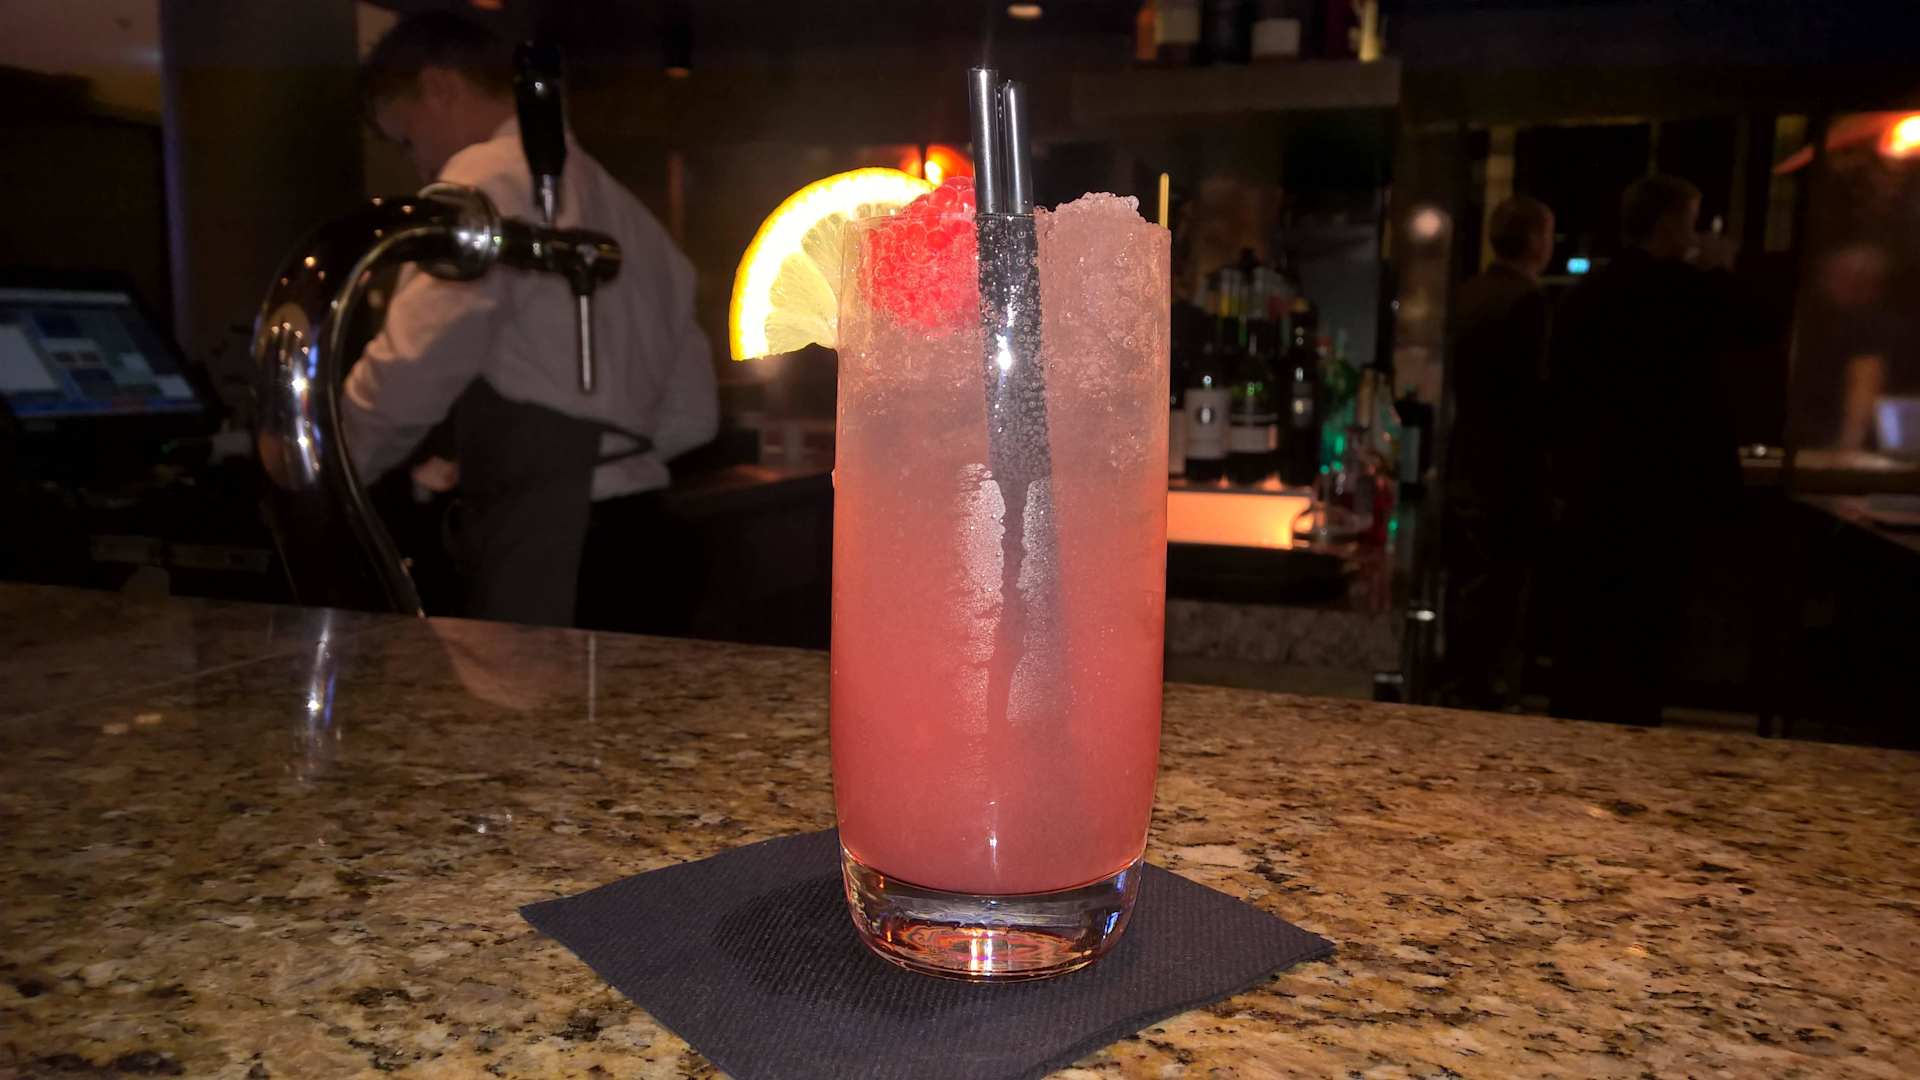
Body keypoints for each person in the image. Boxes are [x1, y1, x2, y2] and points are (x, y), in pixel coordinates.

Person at [347, 13, 717, 627]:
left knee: (526, 691)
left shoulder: (481, 183)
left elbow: (413, 367)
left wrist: (327, 464)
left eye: (407, 140)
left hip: (547, 543)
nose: (419, 166)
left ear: (439, 87)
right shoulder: (635, 219)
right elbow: (694, 415)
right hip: (642, 535)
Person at [1546, 174, 1741, 725]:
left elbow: (1560, 394)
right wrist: (1719, 266)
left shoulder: (1588, 295)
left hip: (1595, 486)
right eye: (1691, 223)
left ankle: (1570, 737)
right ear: (1670, 224)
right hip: (1666, 490)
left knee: (1589, 633)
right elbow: (1761, 324)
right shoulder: (1689, 292)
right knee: (1646, 637)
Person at [1441, 196, 1555, 710]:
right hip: (1509, 466)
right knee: (1501, 591)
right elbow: (1536, 396)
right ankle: (1487, 694)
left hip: (1467, 454)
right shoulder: (1529, 302)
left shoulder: (1468, 294)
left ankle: (1463, 685)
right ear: (1534, 240)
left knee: (1469, 581)